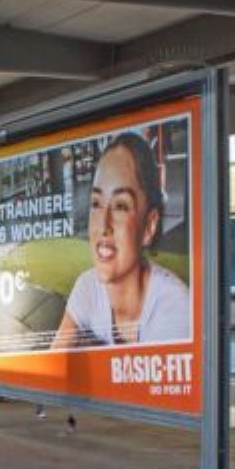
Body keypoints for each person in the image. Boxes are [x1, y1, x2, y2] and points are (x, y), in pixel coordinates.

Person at [52, 132, 190, 349]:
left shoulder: (176, 306)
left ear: (149, 225)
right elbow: (55, 363)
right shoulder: (88, 286)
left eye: (121, 206)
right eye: (96, 203)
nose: (103, 225)